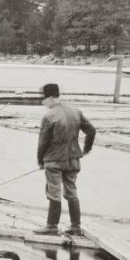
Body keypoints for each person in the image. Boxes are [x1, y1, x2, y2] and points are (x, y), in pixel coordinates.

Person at [35, 83, 96, 236]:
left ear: (49, 97)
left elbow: (43, 142)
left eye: (43, 98)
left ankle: (51, 226)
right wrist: (86, 150)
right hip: (73, 159)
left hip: (54, 160)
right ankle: (75, 226)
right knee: (71, 192)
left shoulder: (49, 116)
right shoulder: (75, 111)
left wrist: (40, 160)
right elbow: (91, 130)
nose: (43, 102)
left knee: (54, 192)